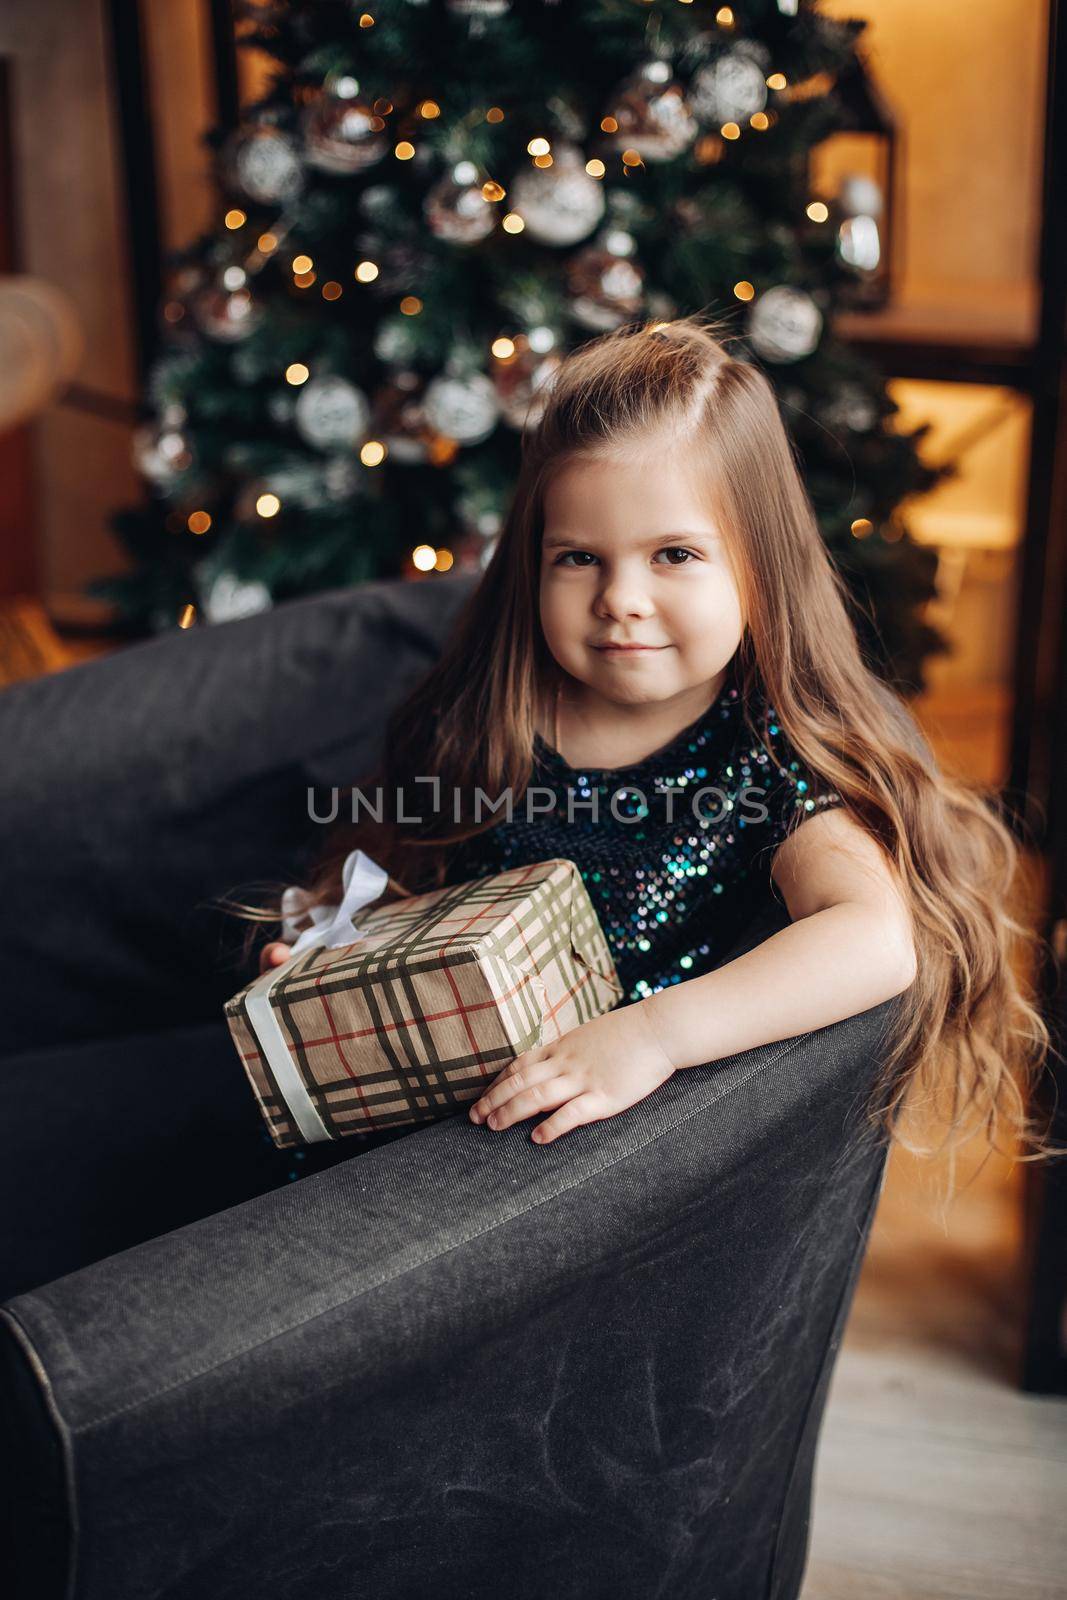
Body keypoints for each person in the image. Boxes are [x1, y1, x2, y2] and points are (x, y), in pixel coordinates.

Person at [243, 313, 1049, 1156]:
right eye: (579, 557)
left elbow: (874, 942)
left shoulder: (764, 757)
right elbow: (425, 888)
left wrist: (654, 1035)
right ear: (534, 561)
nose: (620, 598)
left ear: (757, 567)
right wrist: (338, 949)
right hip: (427, 1129)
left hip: (584, 1164)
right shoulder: (498, 709)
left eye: (673, 555)